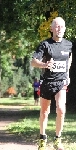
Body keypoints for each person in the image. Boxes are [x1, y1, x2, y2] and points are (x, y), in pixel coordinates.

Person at [31, 17, 72, 150]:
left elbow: (69, 59)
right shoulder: (45, 45)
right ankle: (42, 138)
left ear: (65, 29)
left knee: (61, 109)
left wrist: (67, 74)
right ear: (51, 29)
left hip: (61, 82)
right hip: (47, 82)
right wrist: (45, 64)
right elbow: (33, 62)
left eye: (62, 27)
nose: (60, 29)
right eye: (57, 26)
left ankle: (58, 140)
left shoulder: (68, 45)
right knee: (44, 112)